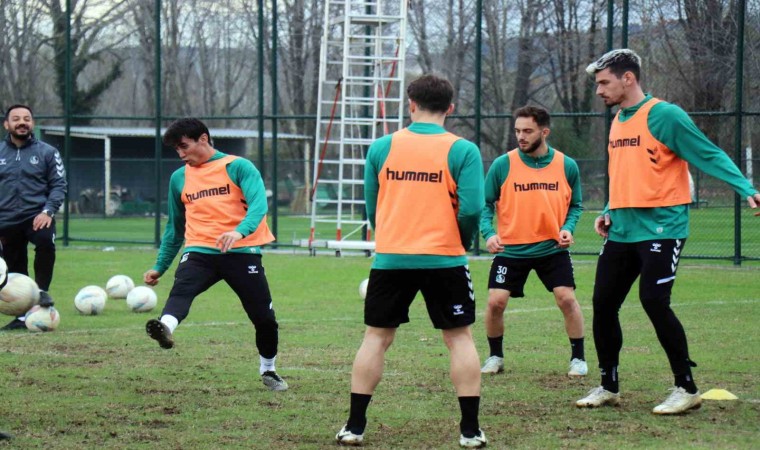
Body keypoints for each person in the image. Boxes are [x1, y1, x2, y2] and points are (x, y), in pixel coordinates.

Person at [577, 49, 760, 414]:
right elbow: (627, 172)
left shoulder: (664, 115)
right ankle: (608, 385)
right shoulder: (618, 120)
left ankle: (686, 387)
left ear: (628, 78)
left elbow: (707, 153)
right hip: (623, 229)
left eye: (604, 83)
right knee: (603, 304)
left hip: (662, 227)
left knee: (653, 300)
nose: (599, 90)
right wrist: (610, 208)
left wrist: (746, 188)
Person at [335, 74, 487, 448]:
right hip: (445, 260)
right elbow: (472, 209)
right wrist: (461, 238)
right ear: (450, 108)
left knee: (376, 338)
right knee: (459, 339)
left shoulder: (381, 147)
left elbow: (372, 207)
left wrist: (390, 236)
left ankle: (354, 427)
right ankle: (470, 431)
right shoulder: (463, 150)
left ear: (411, 104)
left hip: (391, 260)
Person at [142, 118, 287, 391]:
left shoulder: (238, 167)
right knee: (182, 290)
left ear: (203, 139)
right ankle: (165, 327)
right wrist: (160, 266)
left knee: (264, 319)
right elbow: (175, 227)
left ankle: (268, 369)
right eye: (176, 149)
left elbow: (259, 207)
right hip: (200, 250)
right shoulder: (179, 178)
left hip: (242, 252)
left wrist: (239, 232)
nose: (181, 154)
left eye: (184, 146)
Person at [479, 105, 587, 378]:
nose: (521, 136)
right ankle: (495, 356)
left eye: (527, 131)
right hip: (511, 250)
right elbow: (484, 205)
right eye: (517, 130)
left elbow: (576, 205)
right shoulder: (503, 164)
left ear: (544, 132)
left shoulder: (567, 165)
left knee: (567, 299)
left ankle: (578, 358)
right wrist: (489, 233)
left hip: (552, 248)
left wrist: (567, 228)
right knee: (495, 302)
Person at [0, 104, 63, 330]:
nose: (22, 122)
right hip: (6, 220)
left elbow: (58, 185)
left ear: (32, 124)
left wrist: (48, 211)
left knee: (45, 241)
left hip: (37, 215)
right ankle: (21, 316)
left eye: (26, 119)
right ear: (6, 124)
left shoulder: (48, 152)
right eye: (16, 119)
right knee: (14, 266)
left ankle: (42, 291)